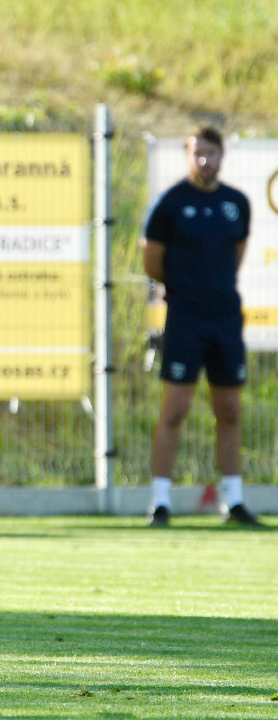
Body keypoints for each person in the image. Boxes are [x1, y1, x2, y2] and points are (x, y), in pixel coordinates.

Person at [142, 126, 262, 528]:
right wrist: (185, 289)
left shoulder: (236, 203)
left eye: (210, 153)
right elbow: (152, 262)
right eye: (197, 153)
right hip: (185, 318)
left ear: (222, 155)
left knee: (228, 410)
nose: (204, 161)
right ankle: (160, 502)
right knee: (174, 410)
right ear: (187, 156)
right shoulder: (171, 203)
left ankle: (235, 501)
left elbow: (236, 255)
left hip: (225, 318)